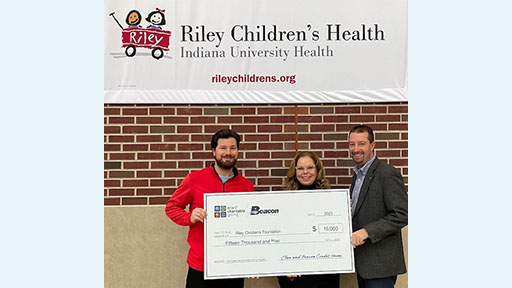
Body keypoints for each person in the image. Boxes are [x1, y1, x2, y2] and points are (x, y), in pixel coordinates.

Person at [165, 129, 254, 288]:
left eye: (233, 148)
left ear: (238, 151)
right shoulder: (195, 179)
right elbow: (172, 207)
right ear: (214, 151)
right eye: (223, 148)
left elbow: (251, 225)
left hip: (233, 267)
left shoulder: (246, 186)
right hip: (201, 266)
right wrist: (189, 217)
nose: (228, 152)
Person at [347, 124, 408, 288]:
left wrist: (367, 231)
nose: (356, 149)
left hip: (381, 266)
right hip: (364, 264)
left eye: (361, 143)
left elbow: (402, 214)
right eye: (352, 144)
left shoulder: (387, 173)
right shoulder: (358, 176)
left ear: (372, 145)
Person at [277, 151, 340, 288]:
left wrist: (345, 213)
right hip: (294, 272)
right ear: (295, 171)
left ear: (318, 169)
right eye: (300, 168)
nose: (305, 172)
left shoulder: (331, 199)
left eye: (310, 167)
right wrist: (284, 264)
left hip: (325, 272)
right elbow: (278, 236)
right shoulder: (283, 201)